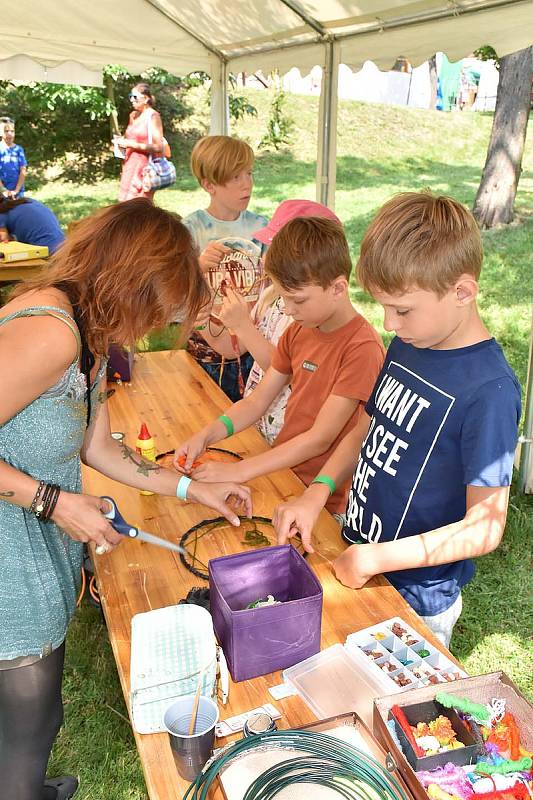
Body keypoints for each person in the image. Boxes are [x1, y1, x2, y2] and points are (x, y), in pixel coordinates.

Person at [0, 198, 252, 800]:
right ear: (126, 285)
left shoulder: (89, 338)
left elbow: (103, 451)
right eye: (152, 314)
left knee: (35, 719)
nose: (146, 332)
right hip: (10, 564)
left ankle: (24, 784)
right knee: (28, 721)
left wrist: (195, 487)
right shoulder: (50, 332)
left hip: (30, 551)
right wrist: (53, 504)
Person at [273, 192, 521, 647]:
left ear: (462, 292)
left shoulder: (490, 391)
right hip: (355, 545)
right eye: (383, 307)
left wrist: (376, 559)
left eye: (402, 309)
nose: (388, 324)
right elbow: (368, 426)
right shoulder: (410, 342)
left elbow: (485, 526)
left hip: (417, 597)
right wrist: (318, 491)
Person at [175, 216, 385, 516]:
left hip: (325, 499)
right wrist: (206, 436)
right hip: (284, 474)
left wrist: (240, 470)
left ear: (338, 288)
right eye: (284, 298)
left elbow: (320, 438)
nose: (287, 309)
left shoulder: (362, 348)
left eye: (297, 300)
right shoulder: (299, 329)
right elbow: (258, 401)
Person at [217, 199, 344, 445]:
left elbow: (285, 371)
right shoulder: (271, 296)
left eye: (273, 249)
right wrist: (205, 318)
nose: (266, 258)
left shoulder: (307, 313)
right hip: (259, 428)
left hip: (286, 437)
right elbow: (230, 349)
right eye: (267, 247)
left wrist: (243, 325)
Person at [183, 135, 268, 402]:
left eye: (249, 173)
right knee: (205, 411)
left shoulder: (262, 227)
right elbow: (174, 292)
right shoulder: (192, 229)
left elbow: (273, 285)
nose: (247, 184)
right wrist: (197, 267)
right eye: (235, 178)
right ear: (209, 185)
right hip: (206, 347)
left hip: (252, 341)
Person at [116, 83, 163, 202]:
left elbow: (158, 147)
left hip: (144, 169)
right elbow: (129, 138)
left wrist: (131, 144)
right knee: (124, 203)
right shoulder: (132, 115)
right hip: (129, 165)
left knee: (139, 206)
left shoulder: (153, 116)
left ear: (146, 98)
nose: (131, 100)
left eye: (135, 97)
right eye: (130, 96)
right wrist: (120, 144)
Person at [0, 196, 65, 254]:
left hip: (45, 252)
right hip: (64, 247)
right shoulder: (27, 201)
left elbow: (4, 241)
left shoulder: (2, 215)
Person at [0, 120, 27, 198]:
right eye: (6, 131)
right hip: (2, 192)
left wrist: (16, 190)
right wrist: (3, 190)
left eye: (12, 131)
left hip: (18, 192)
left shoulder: (19, 149)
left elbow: (23, 170)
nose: (10, 134)